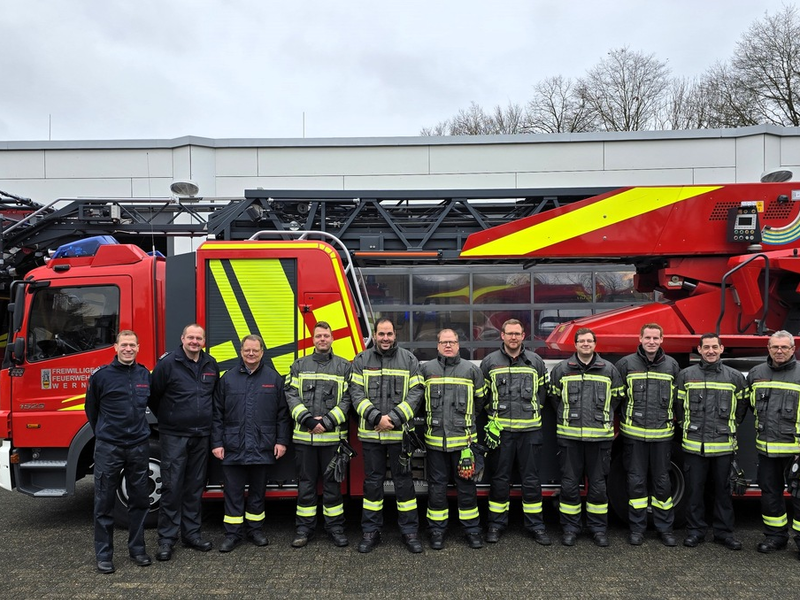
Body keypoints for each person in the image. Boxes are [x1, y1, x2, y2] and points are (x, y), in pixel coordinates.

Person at [211, 334, 291, 552]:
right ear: (241, 351)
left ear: (262, 352)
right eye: (247, 350)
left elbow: (282, 415)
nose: (251, 353)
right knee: (233, 493)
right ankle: (232, 534)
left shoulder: (273, 378)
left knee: (258, 492)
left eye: (255, 350)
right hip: (232, 446)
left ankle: (255, 530)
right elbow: (217, 414)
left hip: (262, 446)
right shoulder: (227, 379)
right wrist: (217, 443)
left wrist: (282, 441)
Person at [350, 318, 424, 553]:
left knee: (404, 484)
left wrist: (392, 418)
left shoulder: (409, 360)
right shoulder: (361, 360)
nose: (385, 338)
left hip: (399, 435)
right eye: (381, 334)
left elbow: (416, 393)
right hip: (372, 435)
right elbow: (356, 394)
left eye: (389, 334)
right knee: (372, 484)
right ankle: (371, 532)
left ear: (395, 334)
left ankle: (410, 532)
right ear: (374, 334)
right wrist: (376, 418)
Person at [149, 324, 220, 561]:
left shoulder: (211, 364)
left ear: (204, 341)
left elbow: (214, 398)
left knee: (194, 488)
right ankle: (167, 540)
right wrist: (169, 420)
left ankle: (192, 535)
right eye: (190, 337)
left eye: (199, 338)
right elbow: (153, 396)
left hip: (202, 436)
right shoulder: (168, 364)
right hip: (174, 436)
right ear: (182, 338)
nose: (194, 341)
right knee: (171, 487)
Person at [84, 330, 152, 574]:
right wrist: (105, 433)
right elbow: (91, 409)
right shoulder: (101, 377)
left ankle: (138, 550)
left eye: (132, 345)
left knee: (140, 500)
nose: (128, 349)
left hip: (138, 446)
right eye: (124, 345)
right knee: (104, 501)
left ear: (138, 347)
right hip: (109, 447)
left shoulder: (145, 374)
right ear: (115, 347)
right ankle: (104, 555)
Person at [549, 327, 623, 547]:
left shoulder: (609, 370)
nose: (586, 344)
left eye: (589, 341)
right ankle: (570, 528)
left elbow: (617, 398)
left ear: (595, 343)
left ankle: (598, 529)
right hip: (569, 438)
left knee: (599, 486)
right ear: (576, 344)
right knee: (570, 485)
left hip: (600, 439)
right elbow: (554, 398)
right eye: (581, 341)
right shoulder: (562, 369)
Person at [480, 319, 550, 545]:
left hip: (530, 432)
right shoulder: (490, 362)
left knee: (531, 480)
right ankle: (496, 525)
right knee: (499, 480)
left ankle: (536, 526)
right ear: (502, 335)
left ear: (523, 336)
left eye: (517, 334)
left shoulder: (535, 362)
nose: (513, 337)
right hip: (500, 433)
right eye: (509, 333)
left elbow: (542, 394)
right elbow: (483, 395)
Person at [676, 333, 748, 550]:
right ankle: (695, 532)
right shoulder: (686, 375)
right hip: (694, 445)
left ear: (721, 348)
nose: (710, 351)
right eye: (706, 347)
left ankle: (724, 533)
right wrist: (685, 426)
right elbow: (678, 406)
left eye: (714, 347)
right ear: (699, 349)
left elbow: (742, 407)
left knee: (723, 491)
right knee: (694, 490)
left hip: (723, 445)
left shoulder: (734, 377)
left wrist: (728, 426)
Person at [286, 321, 352, 548]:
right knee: (306, 485)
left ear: (332, 339)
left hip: (333, 439)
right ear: (312, 340)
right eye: (318, 336)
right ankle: (304, 529)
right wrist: (306, 420)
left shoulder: (344, 367)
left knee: (333, 486)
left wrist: (327, 422)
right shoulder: (298, 365)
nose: (322, 339)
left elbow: (347, 400)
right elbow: (291, 395)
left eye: (326, 335)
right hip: (305, 439)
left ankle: (335, 528)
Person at [615, 323, 680, 547]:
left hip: (662, 436)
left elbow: (678, 399)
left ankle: (665, 529)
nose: (651, 342)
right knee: (636, 483)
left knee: (663, 483)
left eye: (655, 338)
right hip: (633, 436)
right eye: (647, 337)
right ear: (640, 338)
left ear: (662, 340)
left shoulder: (672, 365)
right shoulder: (625, 364)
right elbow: (616, 397)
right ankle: (637, 529)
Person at [421, 329, 487, 550]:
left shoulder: (471, 370)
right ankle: (437, 531)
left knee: (467, 488)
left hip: (464, 443)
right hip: (435, 442)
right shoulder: (427, 370)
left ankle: (472, 531)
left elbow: (480, 402)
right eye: (444, 342)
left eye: (452, 342)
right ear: (437, 345)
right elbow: (418, 401)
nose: (448, 345)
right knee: (436, 489)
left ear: (459, 345)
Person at [747, 330, 800, 556]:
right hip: (767, 447)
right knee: (770, 493)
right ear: (768, 349)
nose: (779, 351)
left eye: (784, 347)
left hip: (796, 450)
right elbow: (750, 405)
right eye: (775, 347)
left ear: (793, 349)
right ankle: (775, 537)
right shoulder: (756, 373)